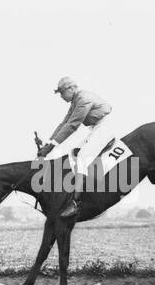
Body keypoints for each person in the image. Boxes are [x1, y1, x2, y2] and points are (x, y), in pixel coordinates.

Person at [39, 76, 113, 219]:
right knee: (74, 154)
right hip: (98, 127)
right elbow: (64, 123)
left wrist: (49, 148)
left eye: (62, 92)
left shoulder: (83, 99)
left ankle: (75, 203)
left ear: (72, 88)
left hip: (106, 126)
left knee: (81, 158)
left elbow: (73, 125)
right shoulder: (76, 101)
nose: (61, 96)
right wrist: (49, 144)